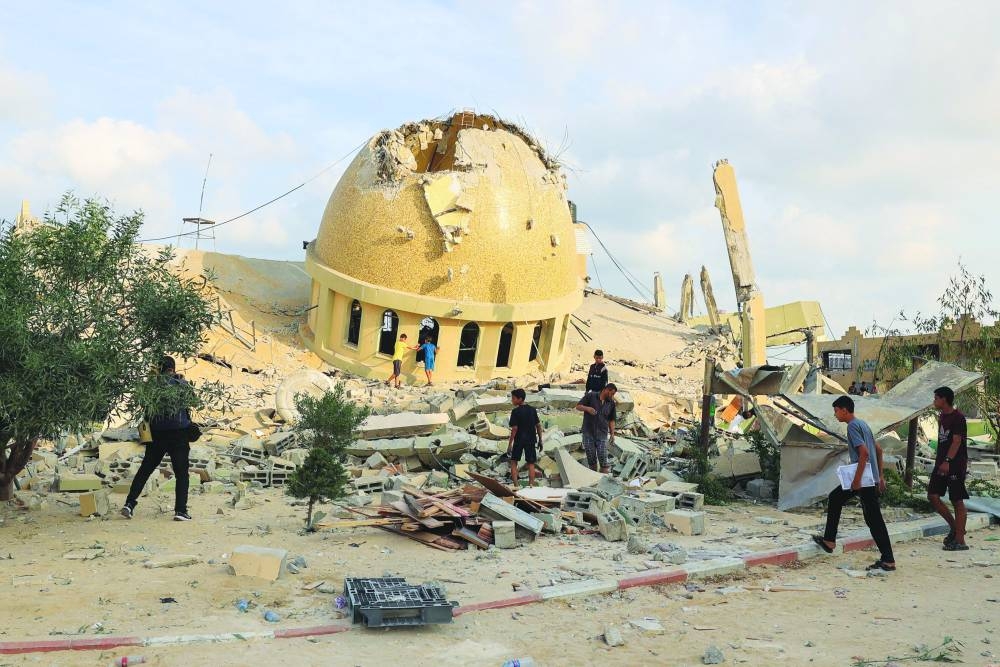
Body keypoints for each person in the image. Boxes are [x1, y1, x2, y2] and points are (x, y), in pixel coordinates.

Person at [812, 395, 895, 571]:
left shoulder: (852, 427)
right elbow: (878, 450)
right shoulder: (863, 424)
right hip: (869, 477)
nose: (835, 415)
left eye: (836, 411)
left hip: (862, 479)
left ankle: (888, 559)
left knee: (873, 519)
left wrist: (856, 481)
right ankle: (829, 540)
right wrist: (879, 476)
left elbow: (864, 453)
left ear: (844, 409)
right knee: (838, 499)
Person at [122, 356, 196, 522]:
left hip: (156, 435)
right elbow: (195, 402)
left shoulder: (150, 387)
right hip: (179, 434)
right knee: (181, 474)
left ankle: (129, 503)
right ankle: (180, 511)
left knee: (145, 470)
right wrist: (182, 382)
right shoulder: (181, 385)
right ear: (172, 369)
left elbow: (143, 406)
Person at [929, 386, 970, 551]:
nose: (934, 401)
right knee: (933, 495)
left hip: (955, 464)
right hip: (941, 462)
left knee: (957, 500)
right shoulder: (942, 417)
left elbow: (957, 441)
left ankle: (960, 540)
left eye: (936, 398)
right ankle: (955, 528)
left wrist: (947, 461)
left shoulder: (958, 418)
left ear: (944, 399)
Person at [575, 383, 618, 473]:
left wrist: (612, 434)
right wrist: (587, 409)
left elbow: (612, 420)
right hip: (588, 433)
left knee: (603, 459)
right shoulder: (591, 396)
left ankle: (604, 481)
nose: (612, 396)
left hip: (602, 434)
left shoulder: (611, 403)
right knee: (591, 459)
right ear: (607, 390)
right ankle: (594, 479)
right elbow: (578, 406)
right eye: (612, 393)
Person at [507, 388, 543, 487]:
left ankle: (516, 486)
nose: (512, 400)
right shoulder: (532, 410)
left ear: (520, 399)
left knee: (514, 461)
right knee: (531, 463)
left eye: (513, 398)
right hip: (531, 439)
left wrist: (510, 444)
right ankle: (531, 485)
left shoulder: (515, 412)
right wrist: (540, 440)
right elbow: (538, 426)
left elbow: (514, 429)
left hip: (519, 440)